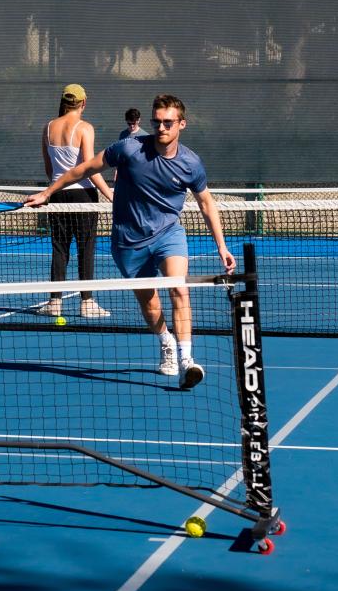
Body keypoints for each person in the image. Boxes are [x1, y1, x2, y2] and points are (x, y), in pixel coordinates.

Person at [25, 94, 236, 390]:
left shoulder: (191, 163)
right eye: (157, 121)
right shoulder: (129, 148)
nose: (161, 127)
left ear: (181, 124)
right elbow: (83, 169)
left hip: (168, 234)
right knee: (149, 304)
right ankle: (165, 342)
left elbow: (206, 204)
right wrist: (47, 193)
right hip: (128, 241)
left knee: (178, 288)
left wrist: (222, 247)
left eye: (168, 122)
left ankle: (186, 360)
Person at [38, 83, 114, 318]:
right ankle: (87, 303)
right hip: (83, 196)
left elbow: (50, 170)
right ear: (83, 103)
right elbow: (90, 168)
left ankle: (54, 302)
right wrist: (111, 194)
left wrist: (55, 189)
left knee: (59, 248)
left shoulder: (48, 127)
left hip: (57, 195)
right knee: (86, 248)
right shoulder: (85, 128)